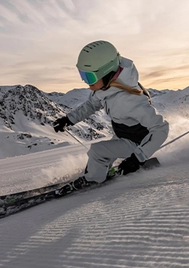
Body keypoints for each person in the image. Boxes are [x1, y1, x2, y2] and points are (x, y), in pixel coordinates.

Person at [52, 40, 169, 188]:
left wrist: (138, 157)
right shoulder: (106, 88)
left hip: (138, 142)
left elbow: (161, 128)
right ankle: (100, 171)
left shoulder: (130, 100)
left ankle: (93, 180)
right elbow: (91, 104)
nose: (85, 82)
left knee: (97, 152)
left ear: (106, 73)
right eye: (82, 75)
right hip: (123, 134)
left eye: (89, 77)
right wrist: (68, 120)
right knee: (104, 155)